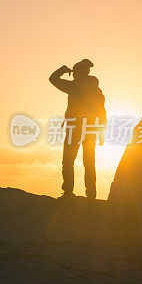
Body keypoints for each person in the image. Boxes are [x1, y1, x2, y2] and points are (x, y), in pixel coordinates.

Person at [49, 59, 106, 199]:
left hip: (74, 128)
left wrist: (63, 69)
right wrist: (102, 132)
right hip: (90, 129)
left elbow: (53, 79)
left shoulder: (74, 86)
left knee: (68, 161)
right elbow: (102, 112)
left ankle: (68, 191)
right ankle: (91, 194)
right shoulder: (96, 91)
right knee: (89, 162)